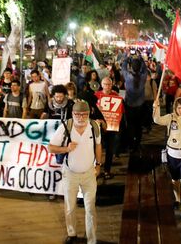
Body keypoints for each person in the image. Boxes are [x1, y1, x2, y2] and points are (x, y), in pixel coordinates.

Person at [48, 100, 102, 244]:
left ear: (89, 114)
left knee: (90, 208)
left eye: (84, 114)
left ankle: (92, 240)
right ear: (72, 114)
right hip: (70, 174)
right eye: (77, 114)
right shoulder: (66, 126)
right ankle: (72, 233)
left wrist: (98, 164)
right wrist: (66, 149)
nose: (81, 117)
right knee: (70, 207)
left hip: (89, 174)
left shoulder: (94, 126)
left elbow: (98, 145)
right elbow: (51, 147)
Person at [153, 97, 181, 219]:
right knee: (175, 181)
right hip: (172, 154)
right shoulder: (170, 117)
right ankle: (177, 200)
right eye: (179, 108)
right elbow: (157, 120)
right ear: (175, 107)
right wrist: (156, 107)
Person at [94, 77, 121, 179]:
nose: (107, 86)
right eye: (105, 84)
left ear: (112, 84)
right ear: (102, 84)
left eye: (109, 84)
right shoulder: (96, 95)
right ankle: (96, 170)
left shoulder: (116, 96)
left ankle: (107, 171)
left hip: (112, 127)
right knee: (97, 148)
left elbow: (120, 111)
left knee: (110, 150)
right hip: (99, 126)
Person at [121, 53, 148, 151]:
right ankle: (137, 143)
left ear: (131, 66)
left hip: (129, 105)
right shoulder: (143, 76)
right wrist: (141, 59)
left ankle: (131, 144)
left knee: (131, 125)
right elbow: (145, 68)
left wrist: (127, 58)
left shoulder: (128, 76)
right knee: (138, 125)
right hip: (140, 105)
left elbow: (123, 67)